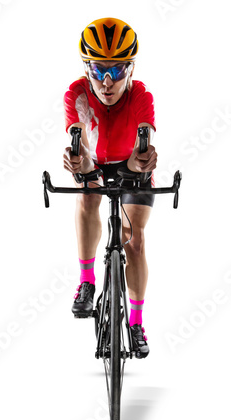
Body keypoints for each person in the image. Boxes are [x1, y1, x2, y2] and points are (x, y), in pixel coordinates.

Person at [63, 18, 157, 358]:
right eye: (99, 69)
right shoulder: (77, 93)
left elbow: (144, 138)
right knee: (87, 194)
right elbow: (79, 136)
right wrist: (79, 162)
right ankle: (87, 281)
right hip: (95, 163)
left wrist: (143, 159)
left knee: (135, 241)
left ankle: (135, 321)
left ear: (129, 69)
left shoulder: (141, 94)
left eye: (117, 70)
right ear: (87, 66)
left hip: (132, 165)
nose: (106, 81)